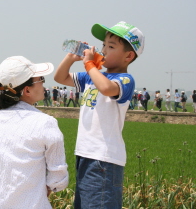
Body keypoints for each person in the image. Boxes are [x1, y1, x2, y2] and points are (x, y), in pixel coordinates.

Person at [54, 21, 145, 208]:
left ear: (128, 56)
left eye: (111, 47)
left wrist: (89, 64)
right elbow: (60, 78)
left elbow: (106, 88)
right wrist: (71, 58)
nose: (103, 50)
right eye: (103, 45)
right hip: (84, 154)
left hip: (103, 158)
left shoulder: (124, 79)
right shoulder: (90, 77)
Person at [0, 56, 69, 208]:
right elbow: (58, 178)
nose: (43, 83)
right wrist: (47, 188)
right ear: (27, 90)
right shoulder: (45, 123)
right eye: (40, 79)